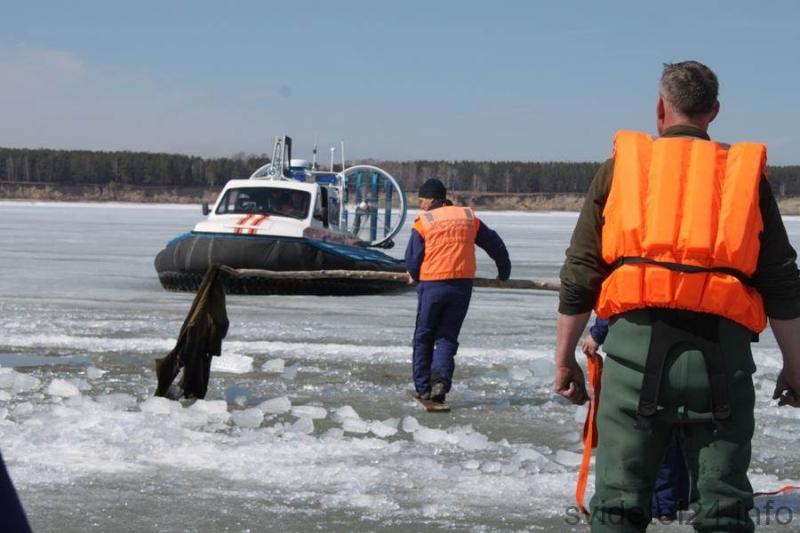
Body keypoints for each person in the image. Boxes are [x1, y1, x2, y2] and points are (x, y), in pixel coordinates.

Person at [555, 60, 800, 532]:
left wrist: (564, 358)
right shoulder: (745, 177)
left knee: (618, 506)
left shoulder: (620, 170)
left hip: (634, 356)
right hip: (722, 362)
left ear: (660, 108)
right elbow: (782, 283)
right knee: (723, 509)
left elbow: (580, 274)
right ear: (714, 111)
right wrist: (795, 365)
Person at [405, 178, 511, 403]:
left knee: (424, 336)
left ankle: (423, 388)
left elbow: (413, 258)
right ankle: (440, 382)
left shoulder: (425, 221)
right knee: (447, 336)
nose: (420, 205)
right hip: (461, 286)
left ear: (432, 199)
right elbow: (494, 243)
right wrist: (504, 271)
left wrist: (413, 274)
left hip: (433, 284)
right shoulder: (468, 217)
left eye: (422, 200)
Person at [583, 318, 690, 521]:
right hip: (704, 358)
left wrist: (597, 333)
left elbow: (619, 303)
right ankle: (676, 499)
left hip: (647, 355)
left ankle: (660, 506)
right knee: (679, 431)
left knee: (652, 433)